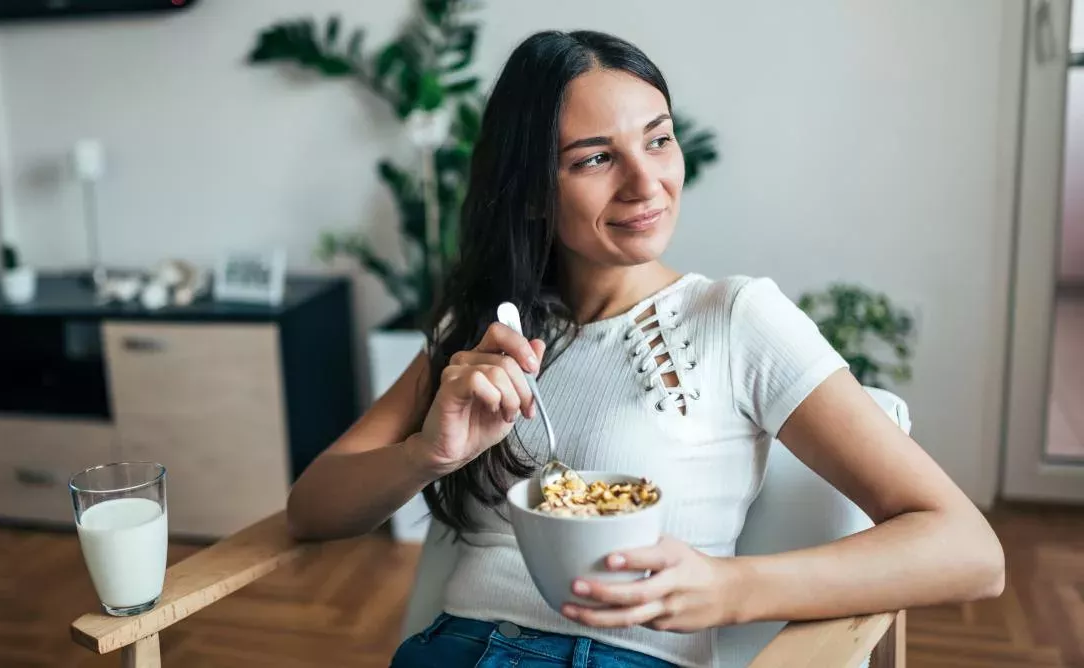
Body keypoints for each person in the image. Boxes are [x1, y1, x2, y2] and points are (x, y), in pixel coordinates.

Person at [285, 29, 1005, 668]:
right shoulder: (481, 335)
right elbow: (311, 512)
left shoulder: (735, 318)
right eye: (595, 158)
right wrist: (429, 455)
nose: (645, 182)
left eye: (658, 139)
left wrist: (732, 589)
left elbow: (969, 552)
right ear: (533, 192)